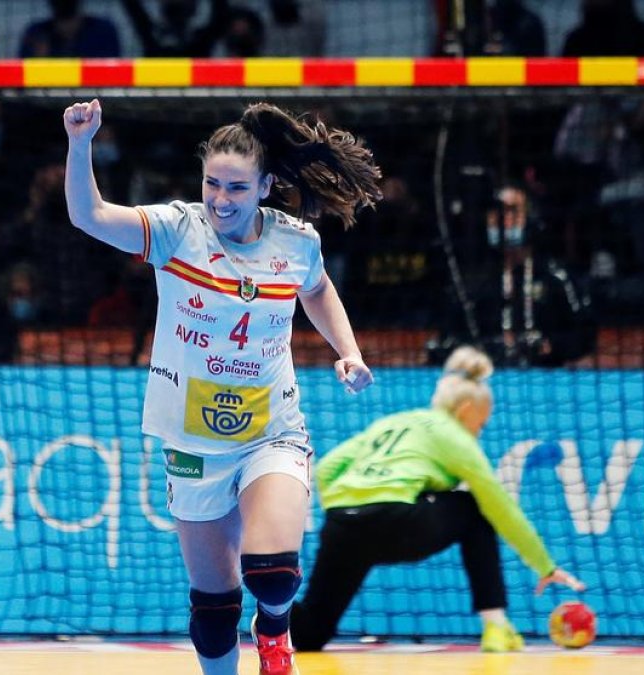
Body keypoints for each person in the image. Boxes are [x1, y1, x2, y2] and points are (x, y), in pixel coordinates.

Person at [64, 99, 382, 675]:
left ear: (264, 186)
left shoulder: (296, 241)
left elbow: (317, 288)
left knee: (274, 571)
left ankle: (276, 626)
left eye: (236, 188)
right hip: (191, 439)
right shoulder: (175, 231)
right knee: (214, 611)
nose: (220, 199)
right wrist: (81, 144)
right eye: (212, 183)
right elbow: (88, 216)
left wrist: (348, 351)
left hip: (271, 429)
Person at [288, 346, 585, 653]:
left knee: (311, 634)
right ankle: (495, 626)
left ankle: (272, 610)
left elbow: (326, 468)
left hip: (342, 524)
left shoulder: (395, 422)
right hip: (397, 522)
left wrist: (347, 506)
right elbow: (501, 507)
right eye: (480, 424)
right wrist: (545, 566)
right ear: (466, 410)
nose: (479, 432)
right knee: (474, 509)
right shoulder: (455, 436)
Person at [427, 183, 596, 367]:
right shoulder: (470, 282)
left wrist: (549, 346)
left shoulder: (556, 278)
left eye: (512, 211)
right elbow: (449, 338)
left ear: (531, 218)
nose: (502, 220)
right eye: (495, 213)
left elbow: (584, 338)